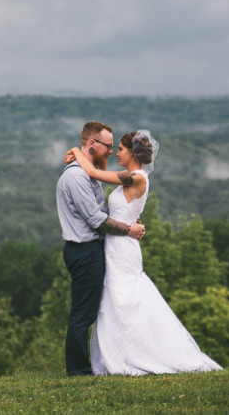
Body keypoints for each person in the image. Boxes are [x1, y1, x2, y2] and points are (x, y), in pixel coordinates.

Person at [65, 130, 222, 375]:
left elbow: (94, 173)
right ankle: (117, 354)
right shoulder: (132, 177)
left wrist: (76, 151)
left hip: (123, 246)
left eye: (120, 149)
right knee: (114, 299)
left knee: (126, 298)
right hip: (115, 244)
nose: (116, 152)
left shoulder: (136, 177)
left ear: (132, 153)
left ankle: (137, 353)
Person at [57, 121, 145, 376]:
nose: (111, 151)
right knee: (83, 313)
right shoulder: (76, 176)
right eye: (108, 146)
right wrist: (129, 230)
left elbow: (104, 205)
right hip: (84, 251)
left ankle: (105, 361)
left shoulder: (90, 171)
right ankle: (78, 370)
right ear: (93, 144)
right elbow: (96, 219)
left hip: (95, 250)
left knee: (96, 310)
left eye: (115, 146)